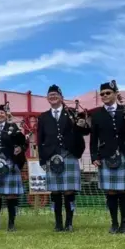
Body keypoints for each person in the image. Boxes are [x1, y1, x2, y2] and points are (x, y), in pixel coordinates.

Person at [90, 81, 125, 234]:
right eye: (102, 94)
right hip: (107, 155)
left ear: (114, 93)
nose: (105, 96)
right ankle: (114, 224)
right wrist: (94, 156)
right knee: (111, 192)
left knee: (124, 192)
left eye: (108, 93)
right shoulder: (97, 115)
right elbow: (94, 138)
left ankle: (124, 225)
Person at [37, 85, 90, 232]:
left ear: (61, 97)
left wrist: (82, 124)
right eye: (50, 95)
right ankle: (58, 223)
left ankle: (69, 223)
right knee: (55, 192)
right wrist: (42, 160)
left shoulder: (71, 113)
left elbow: (84, 131)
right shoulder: (43, 117)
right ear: (47, 98)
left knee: (69, 191)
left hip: (69, 155)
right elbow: (39, 139)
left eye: (55, 94)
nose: (52, 97)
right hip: (51, 157)